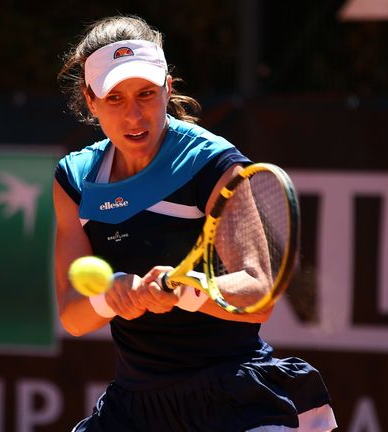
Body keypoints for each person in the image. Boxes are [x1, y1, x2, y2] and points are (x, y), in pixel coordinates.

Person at [53, 15, 337, 432]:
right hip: (135, 408)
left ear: (168, 88)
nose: (134, 115)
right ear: (90, 99)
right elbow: (72, 317)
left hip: (232, 397)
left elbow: (259, 292)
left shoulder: (210, 163)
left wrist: (188, 289)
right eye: (115, 98)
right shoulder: (76, 180)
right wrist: (111, 297)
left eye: (146, 93)